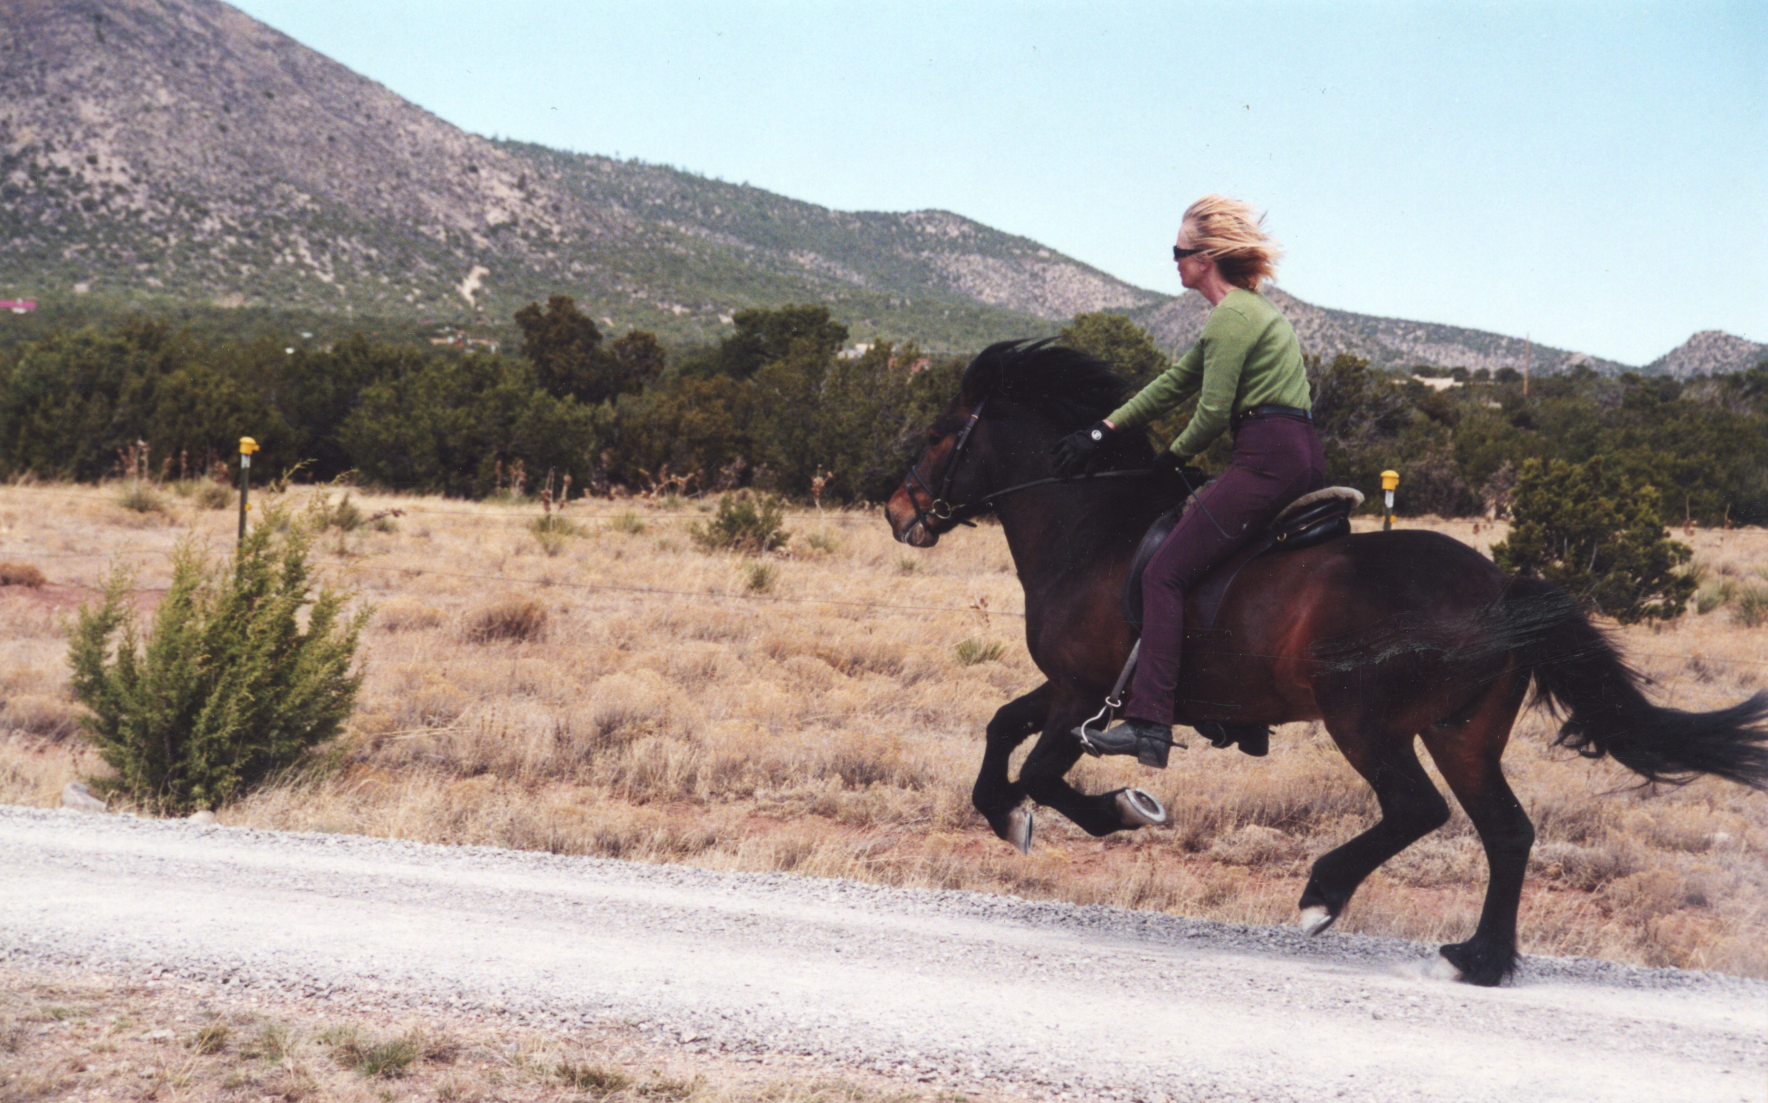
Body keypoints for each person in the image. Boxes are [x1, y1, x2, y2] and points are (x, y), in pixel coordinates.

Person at [1050, 195, 1325, 767]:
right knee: (1223, 565)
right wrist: (1102, 430)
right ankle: (1241, 713)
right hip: (1289, 452)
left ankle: (1149, 724)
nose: (1173, 261)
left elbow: (1211, 410)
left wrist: (1167, 458)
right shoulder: (1244, 312)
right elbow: (1175, 384)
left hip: (1266, 457)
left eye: (1179, 251)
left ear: (1206, 257)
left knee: (1165, 573)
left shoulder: (1233, 317)